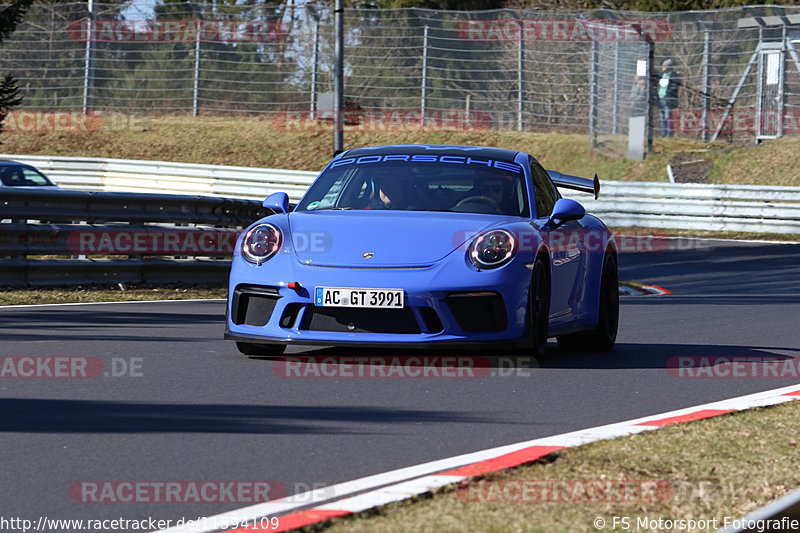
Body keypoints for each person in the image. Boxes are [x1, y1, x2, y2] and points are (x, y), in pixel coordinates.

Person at [658, 59, 680, 137]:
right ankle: (664, 134)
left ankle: (669, 134)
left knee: (668, 118)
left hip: (668, 100)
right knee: (662, 118)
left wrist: (667, 95)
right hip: (660, 99)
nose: (662, 67)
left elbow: (674, 88)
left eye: (664, 66)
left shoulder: (674, 76)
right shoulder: (661, 75)